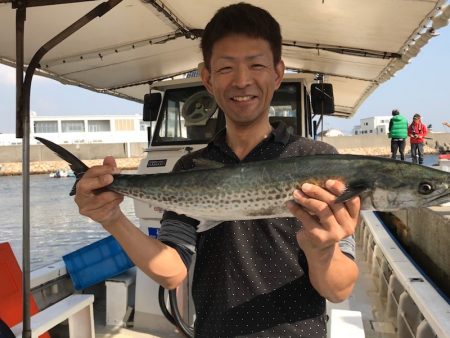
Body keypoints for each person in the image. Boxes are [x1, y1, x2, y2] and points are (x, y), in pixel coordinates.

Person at [74, 3, 360, 337]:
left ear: (277, 73)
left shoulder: (316, 159)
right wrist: (113, 219)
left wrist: (323, 250)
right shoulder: (190, 167)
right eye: (226, 68)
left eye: (256, 65)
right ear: (208, 78)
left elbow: (338, 290)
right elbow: (172, 271)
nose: (242, 80)